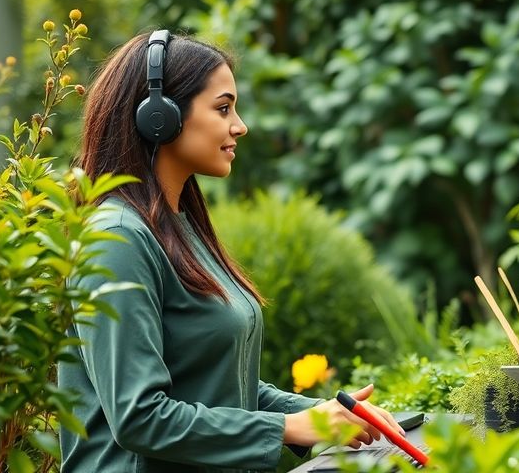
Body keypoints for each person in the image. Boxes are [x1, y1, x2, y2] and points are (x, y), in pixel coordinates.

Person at [58, 30, 403, 472]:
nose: (240, 126)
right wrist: (287, 428)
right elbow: (140, 417)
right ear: (159, 117)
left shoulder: (177, 226)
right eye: (223, 109)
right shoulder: (117, 239)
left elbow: (221, 384)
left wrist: (320, 413)